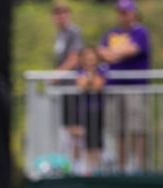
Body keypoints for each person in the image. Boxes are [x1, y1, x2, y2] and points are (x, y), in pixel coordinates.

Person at [98, 0, 151, 174]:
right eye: (120, 12)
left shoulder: (141, 32)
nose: (123, 16)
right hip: (114, 88)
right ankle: (122, 166)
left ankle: (138, 165)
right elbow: (101, 53)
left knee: (137, 127)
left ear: (134, 13)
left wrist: (114, 53)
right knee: (118, 129)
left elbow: (132, 50)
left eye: (126, 12)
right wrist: (116, 53)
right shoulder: (112, 33)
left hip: (135, 87)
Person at [50, 3, 86, 168]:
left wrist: (57, 75)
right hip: (63, 89)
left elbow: (74, 58)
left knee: (76, 125)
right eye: (57, 14)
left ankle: (79, 162)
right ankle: (71, 161)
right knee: (68, 126)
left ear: (69, 15)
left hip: (72, 86)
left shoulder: (74, 32)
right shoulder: (61, 35)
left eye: (63, 13)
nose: (60, 17)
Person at [75, 47, 107, 175]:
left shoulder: (102, 71)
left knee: (97, 141)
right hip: (84, 110)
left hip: (98, 110)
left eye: (93, 59)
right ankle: (88, 169)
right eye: (87, 59)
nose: (90, 62)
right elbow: (81, 85)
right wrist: (89, 82)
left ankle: (96, 169)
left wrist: (90, 80)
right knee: (86, 141)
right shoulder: (79, 72)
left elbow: (99, 85)